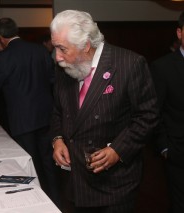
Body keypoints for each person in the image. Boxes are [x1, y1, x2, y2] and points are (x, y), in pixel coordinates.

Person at [50, 10, 159, 213]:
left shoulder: (129, 64)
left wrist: (117, 150)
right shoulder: (64, 68)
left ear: (86, 46)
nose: (57, 57)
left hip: (114, 184)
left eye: (62, 49)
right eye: (55, 47)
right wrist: (57, 139)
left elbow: (147, 116)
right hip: (75, 180)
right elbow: (58, 110)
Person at [0, 18, 61, 207]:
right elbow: (54, 81)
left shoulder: (3, 58)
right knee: (49, 166)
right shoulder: (40, 50)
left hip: (22, 121)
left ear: (0, 36)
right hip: (46, 118)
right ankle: (56, 205)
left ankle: (35, 206)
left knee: (28, 168)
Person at [150, 11, 184, 213]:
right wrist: (165, 148)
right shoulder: (162, 67)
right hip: (179, 153)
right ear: (179, 33)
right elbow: (154, 111)